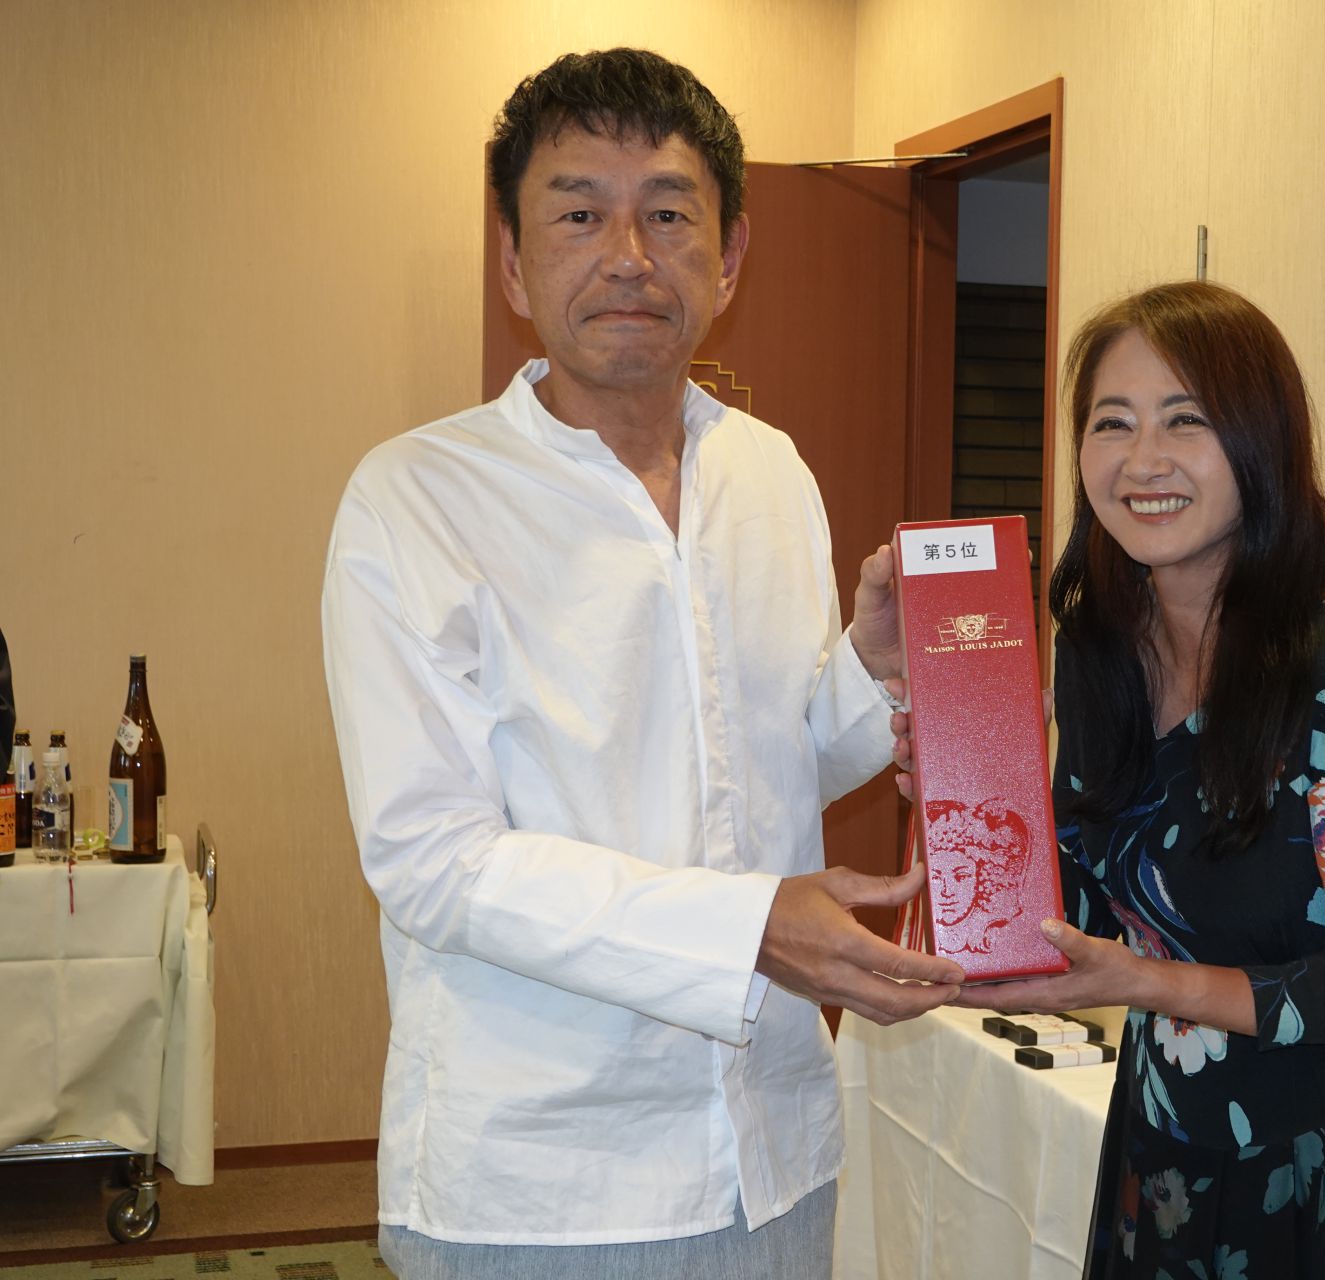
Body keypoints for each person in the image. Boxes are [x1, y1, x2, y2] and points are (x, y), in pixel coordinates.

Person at [321, 48, 962, 1280]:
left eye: (669, 214)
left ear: (729, 257)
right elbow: (433, 859)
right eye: (579, 214)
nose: (628, 255)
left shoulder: (770, 471)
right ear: (514, 264)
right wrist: (749, 927)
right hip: (547, 1183)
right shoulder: (415, 499)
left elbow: (775, 763)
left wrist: (869, 668)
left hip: (778, 1141)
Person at [941, 281, 1325, 1276]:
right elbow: (1073, 909)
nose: (1142, 459)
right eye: (1112, 422)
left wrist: (1144, 982)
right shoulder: (1100, 648)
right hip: (1169, 1147)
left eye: (1185, 421)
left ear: (1259, 443)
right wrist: (963, 781)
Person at [926, 797, 1034, 954]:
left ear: (983, 877)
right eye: (936, 877)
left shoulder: (1010, 941)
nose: (946, 891)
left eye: (961, 877)